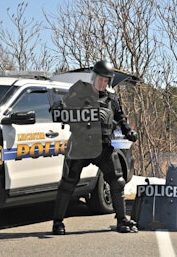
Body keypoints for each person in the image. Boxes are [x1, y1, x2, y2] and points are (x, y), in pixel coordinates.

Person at [52, 60, 138, 235]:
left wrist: (128, 131)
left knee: (117, 181)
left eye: (106, 80)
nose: (102, 83)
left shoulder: (111, 97)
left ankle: (121, 220)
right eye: (100, 79)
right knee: (68, 184)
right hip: (79, 145)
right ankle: (58, 222)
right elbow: (61, 109)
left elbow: (120, 117)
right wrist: (64, 110)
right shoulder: (79, 91)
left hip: (103, 146)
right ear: (94, 77)